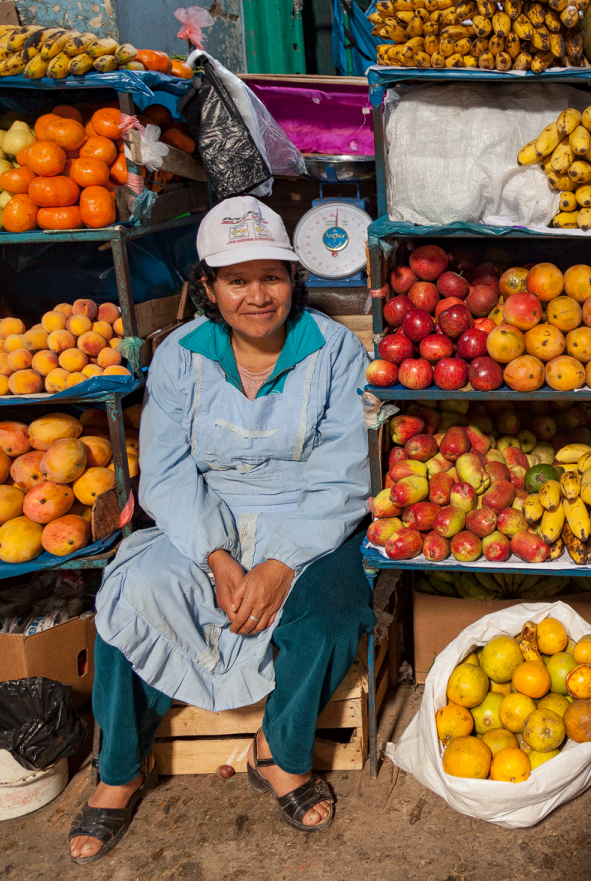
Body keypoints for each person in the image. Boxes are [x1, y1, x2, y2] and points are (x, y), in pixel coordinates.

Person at [69, 197, 372, 864]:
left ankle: (279, 753)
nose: (258, 295)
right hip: (205, 515)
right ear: (208, 287)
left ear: (295, 281)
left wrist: (282, 563)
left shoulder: (334, 349)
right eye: (238, 279)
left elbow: (346, 471)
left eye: (273, 276)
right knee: (131, 596)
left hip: (308, 513)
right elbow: (169, 475)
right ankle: (121, 768)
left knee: (334, 613)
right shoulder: (180, 355)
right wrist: (218, 557)